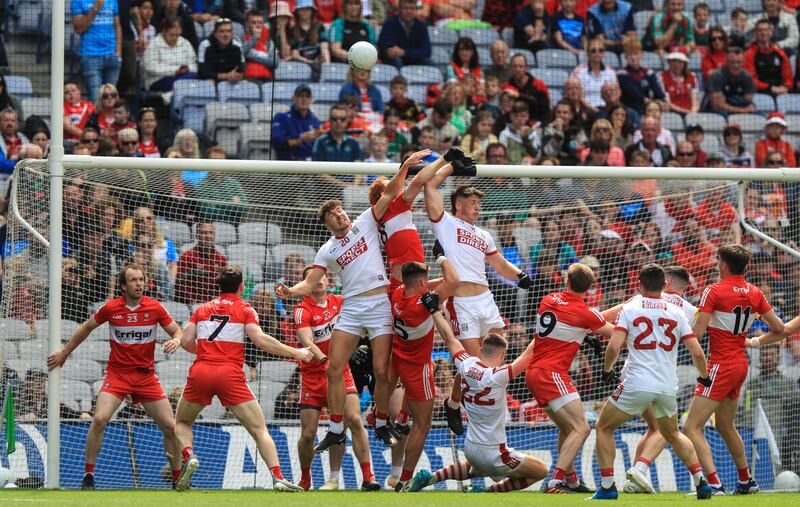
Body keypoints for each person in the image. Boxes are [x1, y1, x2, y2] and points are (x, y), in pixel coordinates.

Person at [275, 150, 430, 454]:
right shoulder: (327, 250)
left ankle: (382, 422)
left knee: (383, 372)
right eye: (333, 214)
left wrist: (405, 167)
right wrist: (291, 292)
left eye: (341, 210)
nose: (340, 214)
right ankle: (335, 429)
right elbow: (309, 281)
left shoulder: (365, 221)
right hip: (353, 307)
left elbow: (390, 194)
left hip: (379, 305)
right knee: (334, 367)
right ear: (327, 223)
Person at [173, 265, 313, 491]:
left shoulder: (202, 309)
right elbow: (260, 341)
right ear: (241, 287)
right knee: (259, 430)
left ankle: (189, 454)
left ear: (219, 286)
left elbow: (186, 340)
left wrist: (207, 352)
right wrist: (296, 352)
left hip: (201, 371)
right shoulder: (246, 309)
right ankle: (277, 477)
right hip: (230, 374)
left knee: (181, 422)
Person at [47, 263, 184, 490]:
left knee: (170, 426)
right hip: (118, 375)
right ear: (123, 285)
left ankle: (178, 478)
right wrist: (65, 353)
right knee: (99, 419)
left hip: (146, 377)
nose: (139, 284)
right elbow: (86, 327)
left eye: (141, 279)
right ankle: (88, 476)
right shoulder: (111, 308)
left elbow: (177, 330)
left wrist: (177, 340)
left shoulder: (155, 307)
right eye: (133, 280)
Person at [422, 163, 534, 435]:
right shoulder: (446, 223)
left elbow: (500, 264)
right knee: (475, 364)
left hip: (486, 299)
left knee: (494, 359)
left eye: (478, 203)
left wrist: (520, 276)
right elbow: (429, 186)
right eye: (473, 202)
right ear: (458, 204)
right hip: (461, 304)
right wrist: (450, 166)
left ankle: (456, 402)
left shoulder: (484, 234)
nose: (477, 207)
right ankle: (459, 406)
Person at [591, 264, 713, 500]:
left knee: (603, 427)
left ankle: (607, 487)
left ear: (640, 284)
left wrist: (607, 371)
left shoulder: (630, 307)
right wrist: (704, 376)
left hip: (637, 383)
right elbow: (697, 352)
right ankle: (701, 481)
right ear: (664, 285)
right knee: (673, 434)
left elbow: (614, 346)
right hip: (667, 386)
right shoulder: (677, 312)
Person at [407, 296, 547, 493]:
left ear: (481, 350)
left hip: (471, 448)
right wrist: (546, 330)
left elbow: (450, 338)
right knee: (541, 470)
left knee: (478, 468)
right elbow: (528, 354)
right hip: (495, 453)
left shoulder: (466, 365)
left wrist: (434, 311)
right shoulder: (498, 376)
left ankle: (430, 478)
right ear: (503, 355)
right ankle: (490, 492)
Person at [683, 244, 784, 495]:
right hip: (740, 363)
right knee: (726, 426)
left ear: (723, 265)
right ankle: (746, 480)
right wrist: (755, 341)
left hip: (720, 364)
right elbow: (780, 328)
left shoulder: (714, 290)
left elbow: (697, 333)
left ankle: (714, 483)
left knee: (691, 427)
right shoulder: (754, 292)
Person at [525, 263, 613, 493]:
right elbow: (614, 333)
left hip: (535, 372)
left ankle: (571, 479)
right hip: (552, 373)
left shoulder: (549, 299)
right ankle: (556, 480)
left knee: (568, 428)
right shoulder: (586, 314)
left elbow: (569, 325)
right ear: (590, 287)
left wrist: (585, 333)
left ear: (567, 281)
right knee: (582, 428)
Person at [292, 266, 373, 491]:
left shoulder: (340, 302)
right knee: (308, 434)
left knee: (353, 420)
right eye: (312, 278)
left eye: (321, 276)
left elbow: (361, 321)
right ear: (306, 284)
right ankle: (305, 477)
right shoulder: (302, 310)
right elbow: (307, 340)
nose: (318, 280)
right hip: (313, 377)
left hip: (340, 373)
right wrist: (325, 360)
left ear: (328, 280)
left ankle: (365, 477)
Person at [389, 256, 459, 491]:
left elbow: (426, 283)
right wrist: (442, 257)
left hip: (399, 356)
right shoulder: (421, 305)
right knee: (422, 424)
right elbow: (454, 280)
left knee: (413, 416)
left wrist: (428, 280)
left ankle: (400, 418)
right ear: (421, 284)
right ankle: (405, 479)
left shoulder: (398, 292)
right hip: (417, 367)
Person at [73, 0, 122, 103]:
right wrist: (95, 9)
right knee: (96, 96)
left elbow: (117, 26)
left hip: (112, 55)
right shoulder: (78, 1)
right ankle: (95, 119)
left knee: (112, 97)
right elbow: (79, 29)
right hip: (91, 55)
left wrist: (118, 52)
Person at [175, 222, 227, 304]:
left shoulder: (221, 259)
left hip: (215, 304)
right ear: (197, 236)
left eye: (211, 232)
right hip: (193, 304)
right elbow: (180, 284)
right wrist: (192, 300)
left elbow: (224, 285)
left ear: (215, 235)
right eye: (203, 233)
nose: (208, 236)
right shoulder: (187, 257)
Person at [143, 18, 198, 92]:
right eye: (172, 35)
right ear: (164, 31)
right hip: (159, 80)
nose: (175, 38)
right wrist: (175, 71)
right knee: (188, 84)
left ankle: (169, 97)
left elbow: (194, 64)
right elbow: (149, 67)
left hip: (184, 77)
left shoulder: (185, 43)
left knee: (193, 76)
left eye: (177, 35)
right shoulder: (154, 44)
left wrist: (187, 69)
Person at [272, 84, 322, 161]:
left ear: (311, 99)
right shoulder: (282, 117)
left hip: (312, 164)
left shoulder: (314, 119)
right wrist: (300, 138)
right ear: (294, 98)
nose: (304, 99)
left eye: (307, 96)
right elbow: (276, 143)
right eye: (301, 96)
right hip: (290, 164)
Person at [743, 19, 793, 96]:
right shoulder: (748, 54)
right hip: (759, 94)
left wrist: (786, 87)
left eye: (766, 30)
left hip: (781, 92)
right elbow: (751, 80)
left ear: (771, 32)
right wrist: (770, 88)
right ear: (755, 33)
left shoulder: (780, 52)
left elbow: (788, 76)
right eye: (759, 30)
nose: (763, 33)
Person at [617, 39, 665, 117]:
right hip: (628, 108)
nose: (633, 57)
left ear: (641, 55)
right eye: (630, 54)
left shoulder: (649, 73)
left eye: (636, 54)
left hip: (645, 108)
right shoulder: (621, 73)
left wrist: (660, 100)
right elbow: (632, 91)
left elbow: (659, 93)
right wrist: (646, 100)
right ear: (625, 56)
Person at [377, 0, 432, 68]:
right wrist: (391, 50)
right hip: (395, 59)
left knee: (429, 62)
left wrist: (404, 52)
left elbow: (427, 51)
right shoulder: (390, 22)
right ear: (399, 9)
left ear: (416, 10)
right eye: (405, 8)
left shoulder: (421, 25)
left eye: (412, 8)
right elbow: (383, 46)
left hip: (414, 59)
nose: (408, 11)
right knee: (396, 61)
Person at [706, 47, 756, 116]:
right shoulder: (717, 75)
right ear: (726, 62)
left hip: (739, 111)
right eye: (732, 62)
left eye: (739, 62)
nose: (736, 66)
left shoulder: (747, 77)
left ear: (743, 62)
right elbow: (717, 105)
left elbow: (747, 102)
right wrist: (741, 110)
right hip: (718, 112)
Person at [572, 38, 619, 109]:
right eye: (593, 51)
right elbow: (575, 95)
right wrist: (592, 108)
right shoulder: (578, 71)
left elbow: (616, 94)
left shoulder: (611, 72)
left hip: (606, 108)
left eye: (601, 50)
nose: (597, 53)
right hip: (585, 108)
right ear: (587, 53)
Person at [287, 0, 330, 78]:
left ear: (312, 11)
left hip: (319, 66)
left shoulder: (320, 27)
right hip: (300, 67)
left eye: (307, 8)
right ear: (297, 11)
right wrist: (312, 63)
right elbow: (295, 55)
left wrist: (326, 66)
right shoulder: (292, 30)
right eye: (301, 9)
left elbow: (324, 49)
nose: (305, 11)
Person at [506, 53, 551, 125]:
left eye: (521, 66)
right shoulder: (507, 87)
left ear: (526, 68)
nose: (518, 69)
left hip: (536, 124)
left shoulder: (539, 85)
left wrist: (542, 127)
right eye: (515, 66)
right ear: (511, 68)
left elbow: (545, 110)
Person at [198, 18, 245, 83]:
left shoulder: (238, 46)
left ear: (232, 34)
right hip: (212, 79)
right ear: (215, 34)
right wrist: (225, 76)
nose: (226, 35)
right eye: (222, 31)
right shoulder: (204, 45)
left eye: (229, 31)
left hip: (231, 81)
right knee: (210, 82)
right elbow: (202, 71)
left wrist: (237, 76)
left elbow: (242, 69)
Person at [242, 9, 280, 81]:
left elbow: (275, 62)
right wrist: (255, 38)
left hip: (267, 79)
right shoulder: (242, 39)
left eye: (260, 22)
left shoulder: (269, 42)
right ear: (247, 24)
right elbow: (240, 54)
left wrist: (250, 57)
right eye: (253, 22)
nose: (257, 25)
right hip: (247, 79)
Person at [658, 50, 700, 115]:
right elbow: (667, 102)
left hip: (691, 112)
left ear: (684, 63)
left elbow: (695, 101)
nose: (677, 64)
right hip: (672, 112)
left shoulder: (692, 76)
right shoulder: (662, 77)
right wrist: (686, 112)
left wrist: (693, 112)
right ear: (669, 62)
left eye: (680, 62)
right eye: (674, 61)